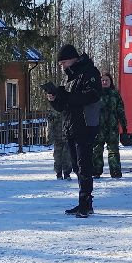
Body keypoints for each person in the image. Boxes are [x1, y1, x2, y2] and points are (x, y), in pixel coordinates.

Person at [45, 44, 102, 216]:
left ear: (73, 59)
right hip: (71, 125)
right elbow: (64, 106)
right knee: (77, 166)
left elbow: (92, 95)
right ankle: (84, 202)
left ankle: (86, 203)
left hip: (85, 124)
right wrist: (54, 99)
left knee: (84, 166)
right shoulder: (70, 77)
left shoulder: (90, 72)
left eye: (63, 62)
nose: (62, 66)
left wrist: (66, 96)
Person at [94, 71, 128, 179]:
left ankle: (115, 172)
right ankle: (96, 171)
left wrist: (124, 125)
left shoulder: (115, 94)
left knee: (113, 150)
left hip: (112, 127)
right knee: (97, 150)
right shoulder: (95, 94)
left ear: (110, 81)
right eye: (102, 80)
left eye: (106, 80)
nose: (104, 82)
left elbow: (121, 110)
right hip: (98, 127)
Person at [48, 97, 72, 180]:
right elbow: (50, 124)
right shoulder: (54, 110)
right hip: (57, 136)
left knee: (68, 156)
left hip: (67, 136)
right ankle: (58, 173)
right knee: (57, 156)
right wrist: (50, 136)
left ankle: (67, 173)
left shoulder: (69, 108)